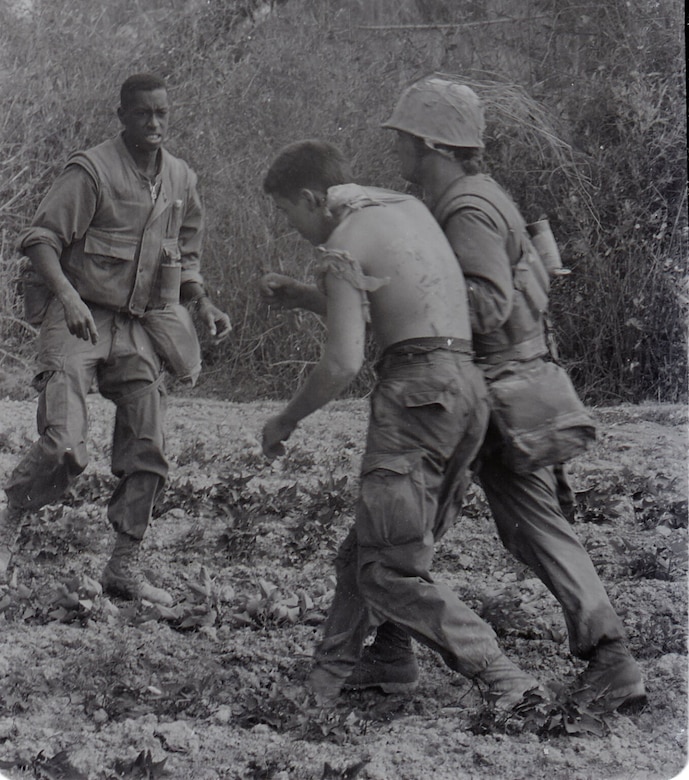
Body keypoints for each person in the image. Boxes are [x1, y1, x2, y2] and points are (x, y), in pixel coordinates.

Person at [259, 78, 646, 714]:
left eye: (408, 141)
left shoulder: (465, 206)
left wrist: (417, 342)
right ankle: (385, 655)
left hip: (484, 387)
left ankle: (599, 658)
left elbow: (482, 306)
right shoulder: (440, 202)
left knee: (492, 535)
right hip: (475, 387)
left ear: (435, 144)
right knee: (390, 540)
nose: (401, 154)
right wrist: (320, 297)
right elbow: (406, 294)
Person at [260, 139, 549, 711]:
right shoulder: (403, 210)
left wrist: (285, 420)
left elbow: (343, 361)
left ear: (314, 198)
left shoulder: (341, 245)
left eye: (288, 213)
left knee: (388, 567)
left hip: (415, 398)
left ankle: (502, 675)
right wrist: (304, 297)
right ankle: (336, 678)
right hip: (465, 391)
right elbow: (405, 307)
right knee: (366, 550)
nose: (292, 228)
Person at [0, 73, 231, 603]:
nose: (154, 123)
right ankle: (10, 520)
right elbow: (39, 240)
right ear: (122, 115)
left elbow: (185, 252)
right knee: (64, 446)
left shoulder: (180, 179)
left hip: (137, 326)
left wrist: (201, 301)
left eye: (162, 114)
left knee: (149, 444)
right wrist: (71, 299)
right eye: (143, 113)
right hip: (77, 316)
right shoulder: (92, 171)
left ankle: (124, 564)